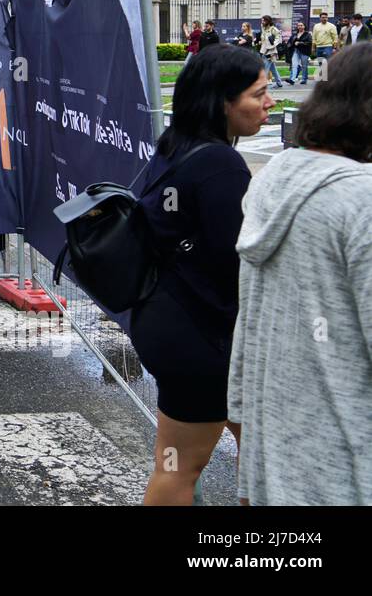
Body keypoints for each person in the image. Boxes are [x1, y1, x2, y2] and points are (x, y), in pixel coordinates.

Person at [131, 44, 272, 505]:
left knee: (176, 465)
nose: (270, 103)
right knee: (256, 468)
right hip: (210, 340)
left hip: (169, 325)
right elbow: (240, 263)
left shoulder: (174, 148)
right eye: (259, 94)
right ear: (222, 101)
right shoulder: (219, 164)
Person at [231, 43, 372, 504]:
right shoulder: (360, 202)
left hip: (280, 459)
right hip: (348, 469)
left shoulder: (276, 176)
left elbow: (248, 322)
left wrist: (244, 429)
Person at [257, 16, 284, 90]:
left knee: (265, 68)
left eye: (263, 21)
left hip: (271, 52)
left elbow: (279, 38)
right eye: (261, 21)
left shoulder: (273, 29)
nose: (262, 22)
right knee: (273, 69)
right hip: (264, 51)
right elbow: (264, 40)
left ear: (268, 21)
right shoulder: (264, 29)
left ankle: (261, 85)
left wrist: (273, 45)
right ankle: (279, 83)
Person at [284, 20, 313, 85]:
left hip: (304, 52)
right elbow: (290, 42)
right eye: (298, 25)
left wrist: (300, 43)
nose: (300, 27)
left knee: (304, 66)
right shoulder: (295, 35)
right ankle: (292, 79)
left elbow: (309, 42)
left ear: (304, 26)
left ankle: (304, 79)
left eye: (301, 25)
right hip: (296, 51)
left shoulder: (307, 34)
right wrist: (289, 45)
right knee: (294, 65)